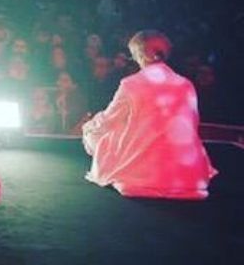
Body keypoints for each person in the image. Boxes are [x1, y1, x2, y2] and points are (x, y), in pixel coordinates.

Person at [81, 30, 217, 199]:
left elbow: (108, 121)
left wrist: (89, 126)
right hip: (188, 173)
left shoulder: (131, 84)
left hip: (140, 174)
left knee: (96, 132)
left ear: (140, 54)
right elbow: (192, 126)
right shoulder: (186, 84)